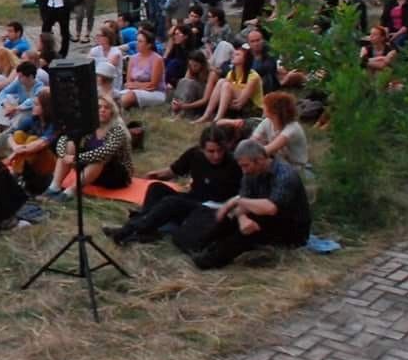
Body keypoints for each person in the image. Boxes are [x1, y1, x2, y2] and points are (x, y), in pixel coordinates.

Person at [103, 125, 243, 245]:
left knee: (171, 202)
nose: (217, 156)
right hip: (193, 198)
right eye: (211, 151)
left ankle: (128, 230)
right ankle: (146, 227)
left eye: (220, 151)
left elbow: (242, 195)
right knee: (156, 188)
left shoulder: (234, 164)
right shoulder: (194, 154)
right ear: (202, 149)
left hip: (209, 209)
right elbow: (172, 171)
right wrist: (153, 175)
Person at [182, 140, 311, 269]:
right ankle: (201, 245)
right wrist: (242, 218)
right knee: (233, 217)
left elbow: (271, 208)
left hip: (293, 230)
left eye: (246, 166)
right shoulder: (250, 174)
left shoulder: (285, 175)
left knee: (254, 224)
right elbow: (245, 201)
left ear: (260, 160)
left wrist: (237, 201)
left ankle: (211, 260)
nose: (243, 171)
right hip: (268, 218)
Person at [45, 96, 133, 198]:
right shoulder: (88, 124)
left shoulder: (118, 129)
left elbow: (104, 152)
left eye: (106, 108)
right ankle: (54, 187)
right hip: (91, 168)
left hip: (116, 174)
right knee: (69, 145)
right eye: (99, 107)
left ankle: (71, 192)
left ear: (112, 112)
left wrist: (75, 158)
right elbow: (64, 138)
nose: (102, 110)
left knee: (100, 159)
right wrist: (63, 155)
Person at [198, 45, 262, 124]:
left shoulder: (253, 76)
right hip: (235, 104)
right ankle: (206, 115)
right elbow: (223, 94)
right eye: (234, 54)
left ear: (245, 59)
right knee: (221, 81)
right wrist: (225, 99)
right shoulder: (231, 73)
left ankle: (218, 119)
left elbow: (240, 103)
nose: (233, 56)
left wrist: (226, 100)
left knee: (226, 85)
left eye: (237, 54)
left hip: (252, 109)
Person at [250, 92, 310, 172]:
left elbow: (267, 151)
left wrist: (249, 151)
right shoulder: (267, 122)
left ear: (274, 111)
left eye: (265, 105)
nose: (262, 106)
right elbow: (252, 141)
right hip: (278, 160)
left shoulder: (292, 129)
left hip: (294, 166)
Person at [0, 61, 42, 133]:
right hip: (15, 110)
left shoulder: (39, 86)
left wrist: (15, 108)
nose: (18, 79)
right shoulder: (18, 82)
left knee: (24, 112)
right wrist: (7, 105)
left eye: (21, 77)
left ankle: (7, 130)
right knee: (7, 98)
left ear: (31, 76)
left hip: (28, 112)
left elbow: (32, 101)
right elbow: (3, 92)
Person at [117, 28, 168, 110]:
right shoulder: (133, 58)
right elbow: (128, 83)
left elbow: (153, 85)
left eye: (140, 41)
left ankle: (114, 111)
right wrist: (138, 86)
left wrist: (135, 85)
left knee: (131, 95)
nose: (137, 44)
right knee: (114, 95)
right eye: (137, 40)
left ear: (149, 45)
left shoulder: (157, 59)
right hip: (135, 90)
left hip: (155, 92)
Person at [88, 24, 124, 91]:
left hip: (112, 86)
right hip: (97, 84)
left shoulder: (116, 52)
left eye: (100, 35)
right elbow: (87, 66)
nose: (97, 37)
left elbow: (105, 72)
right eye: (97, 35)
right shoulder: (94, 50)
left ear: (107, 37)